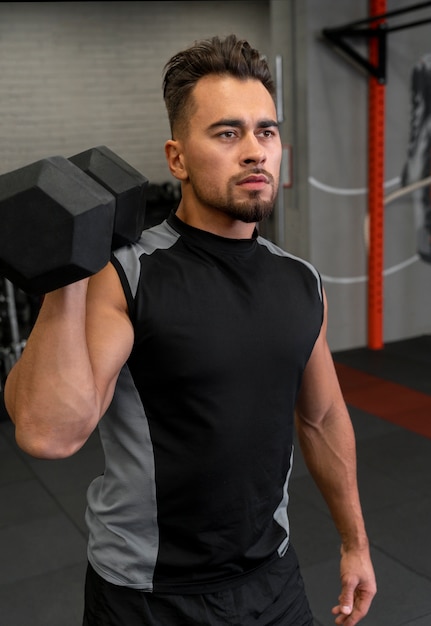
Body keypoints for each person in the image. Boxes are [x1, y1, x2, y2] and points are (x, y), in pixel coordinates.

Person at [4, 34, 376, 626]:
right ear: (176, 158)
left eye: (267, 131)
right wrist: (68, 263)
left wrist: (355, 542)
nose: (255, 151)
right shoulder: (126, 275)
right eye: (228, 134)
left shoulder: (301, 281)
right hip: (150, 596)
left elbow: (323, 417)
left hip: (272, 579)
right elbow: (49, 434)